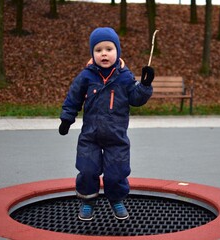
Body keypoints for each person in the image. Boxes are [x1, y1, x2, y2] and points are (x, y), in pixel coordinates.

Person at [58, 27, 154, 221]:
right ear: (92, 54)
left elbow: (135, 99)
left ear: (117, 51)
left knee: (116, 173)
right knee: (86, 170)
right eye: (98, 50)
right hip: (90, 136)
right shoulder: (86, 76)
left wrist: (144, 86)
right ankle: (88, 201)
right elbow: (73, 98)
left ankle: (116, 199)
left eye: (109, 49)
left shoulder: (124, 77)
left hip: (116, 136)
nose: (104, 53)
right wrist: (67, 119)